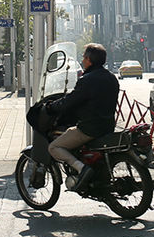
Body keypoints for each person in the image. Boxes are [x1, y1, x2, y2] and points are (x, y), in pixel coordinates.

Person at [47, 43, 120, 193]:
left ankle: (82, 168)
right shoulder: (111, 78)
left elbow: (71, 100)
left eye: (84, 57)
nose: (82, 60)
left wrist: (52, 106)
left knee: (54, 146)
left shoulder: (87, 79)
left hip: (89, 128)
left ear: (89, 60)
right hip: (108, 126)